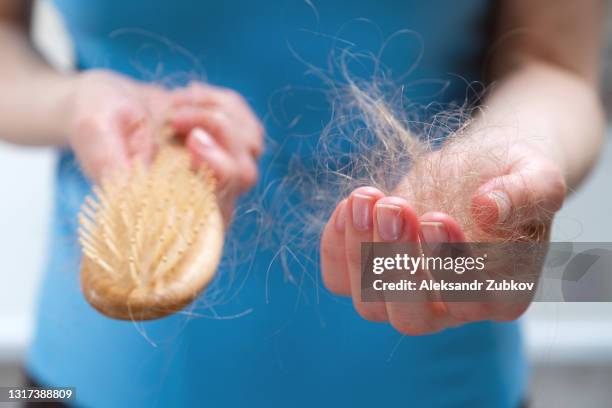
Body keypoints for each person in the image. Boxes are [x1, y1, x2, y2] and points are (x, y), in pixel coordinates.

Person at [0, 1, 604, 407]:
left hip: (442, 374)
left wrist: (507, 168)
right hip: (74, 386)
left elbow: (555, 67)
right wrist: (74, 102)